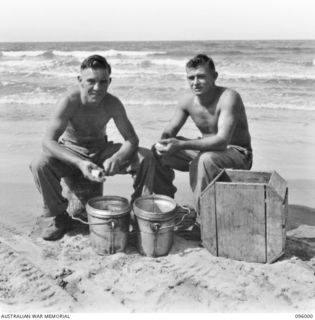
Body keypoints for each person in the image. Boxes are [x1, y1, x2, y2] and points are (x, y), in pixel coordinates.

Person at [30, 55, 155, 241]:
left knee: (146, 157)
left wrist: (118, 157)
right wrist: (80, 163)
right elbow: (48, 142)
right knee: (39, 164)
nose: (97, 88)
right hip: (72, 152)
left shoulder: (112, 103)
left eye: (103, 82)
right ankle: (59, 216)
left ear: (109, 81)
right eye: (91, 81)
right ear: (80, 80)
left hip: (101, 150)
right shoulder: (69, 101)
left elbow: (131, 140)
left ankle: (139, 214)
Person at [153, 54, 253, 224]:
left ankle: (204, 220)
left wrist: (181, 145)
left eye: (201, 77)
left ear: (214, 77)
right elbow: (170, 129)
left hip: (237, 153)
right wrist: (163, 143)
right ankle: (166, 208)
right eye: (191, 78)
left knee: (205, 159)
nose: (195, 82)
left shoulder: (229, 97)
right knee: (157, 152)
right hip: (206, 151)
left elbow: (222, 141)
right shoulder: (187, 101)